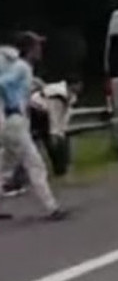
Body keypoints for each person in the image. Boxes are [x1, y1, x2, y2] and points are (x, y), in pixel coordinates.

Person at [0, 32, 67, 221]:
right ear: (29, 49)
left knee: (5, 166)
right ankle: (51, 207)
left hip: (11, 123)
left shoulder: (22, 68)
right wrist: (12, 104)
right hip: (14, 122)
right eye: (37, 46)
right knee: (35, 164)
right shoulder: (21, 67)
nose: (40, 50)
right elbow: (3, 84)